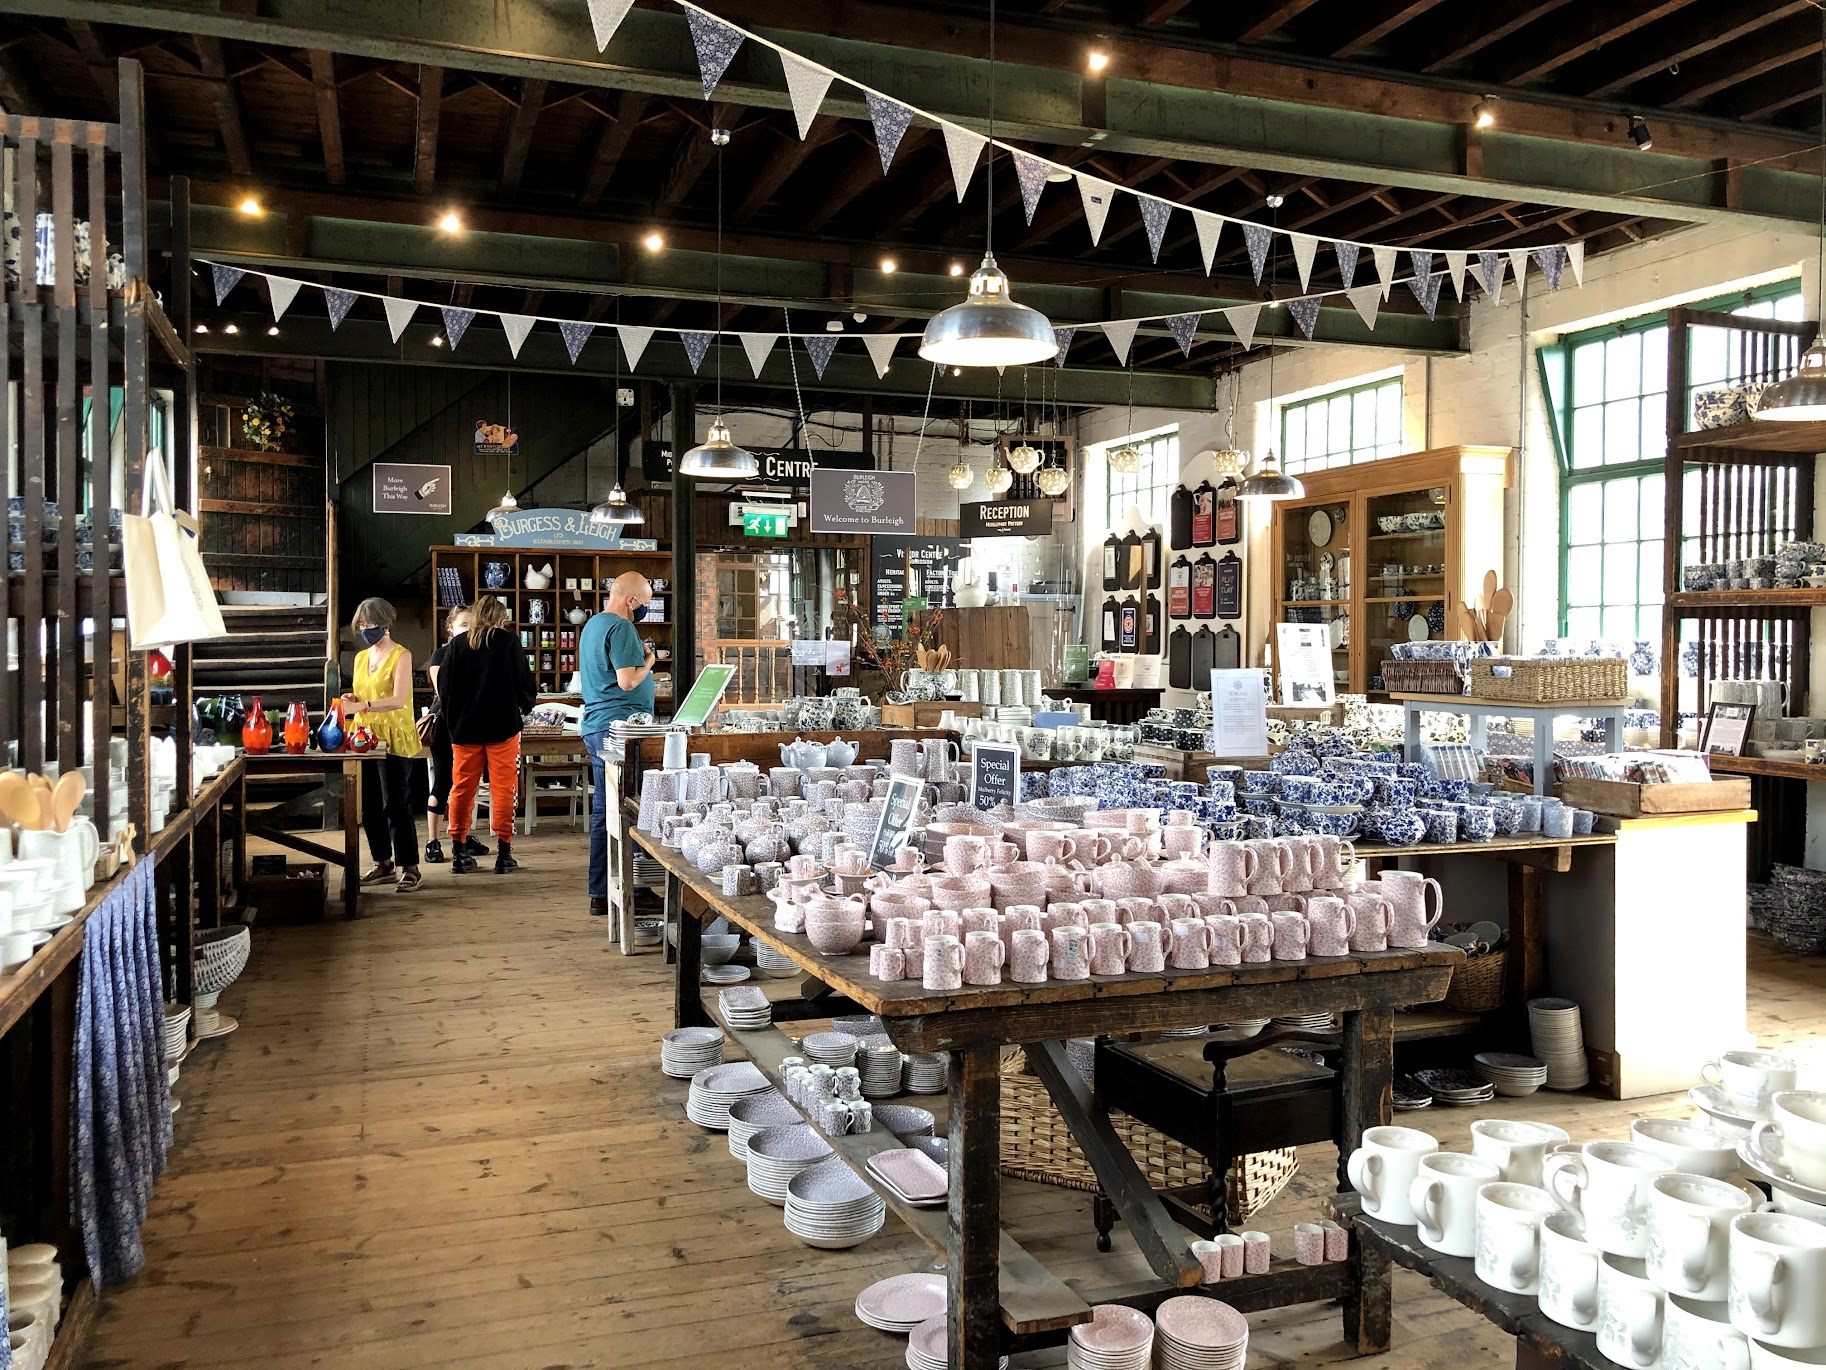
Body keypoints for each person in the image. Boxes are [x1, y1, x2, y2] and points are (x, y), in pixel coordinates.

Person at [438, 594, 538, 874]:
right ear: (501, 619)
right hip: (503, 727)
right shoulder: (508, 643)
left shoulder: (457, 644)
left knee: (462, 789)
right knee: (504, 789)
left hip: (464, 730)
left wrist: (453, 721)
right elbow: (524, 682)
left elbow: (444, 688)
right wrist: (524, 706)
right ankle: (503, 853)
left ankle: (458, 850)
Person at [579, 572, 656, 916]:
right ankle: (633, 887)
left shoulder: (593, 625)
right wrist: (649, 662)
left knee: (606, 809)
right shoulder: (622, 627)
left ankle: (601, 890)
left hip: (598, 725)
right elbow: (627, 681)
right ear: (631, 601)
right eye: (644, 604)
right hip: (621, 729)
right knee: (631, 809)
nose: (644, 611)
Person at [340, 597, 423, 893]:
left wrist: (363, 705)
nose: (366, 629)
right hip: (364, 738)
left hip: (393, 736)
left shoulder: (402, 655)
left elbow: (399, 699)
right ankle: (383, 862)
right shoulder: (361, 658)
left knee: (396, 804)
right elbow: (361, 693)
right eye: (361, 625)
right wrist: (352, 699)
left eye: (370, 623)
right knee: (369, 806)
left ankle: (409, 866)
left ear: (386, 623)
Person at [422, 605, 489, 866]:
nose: (468, 630)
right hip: (446, 725)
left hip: (472, 724)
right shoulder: (441, 655)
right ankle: (432, 841)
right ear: (450, 627)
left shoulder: (479, 653)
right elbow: (444, 691)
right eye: (463, 625)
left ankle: (463, 835)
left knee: (468, 784)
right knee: (442, 781)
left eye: (473, 626)